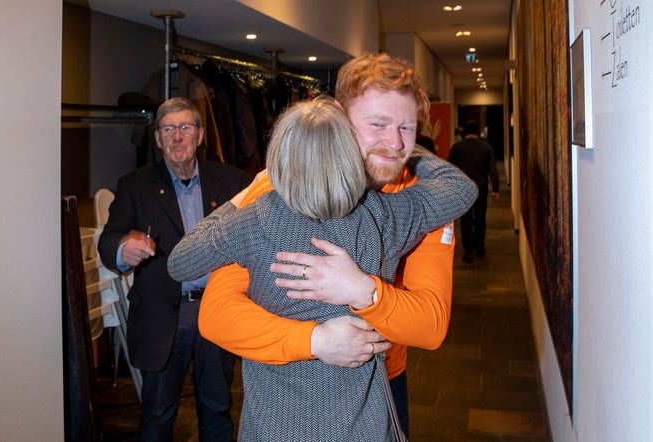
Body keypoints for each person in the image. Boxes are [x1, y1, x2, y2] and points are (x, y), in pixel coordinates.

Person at [168, 97, 477, 441]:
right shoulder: (382, 218)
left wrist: (241, 200)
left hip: (275, 428)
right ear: (349, 155)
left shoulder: (254, 221)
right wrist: (401, 145)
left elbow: (180, 262)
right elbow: (461, 188)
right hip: (363, 428)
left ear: (281, 157)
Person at [97, 97, 249, 441]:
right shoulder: (135, 185)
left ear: (199, 134)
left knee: (217, 408)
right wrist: (123, 248)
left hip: (217, 310)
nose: (177, 136)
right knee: (157, 415)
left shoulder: (231, 181)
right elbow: (108, 242)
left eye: (185, 128)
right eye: (168, 129)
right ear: (157, 138)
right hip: (164, 317)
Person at [447, 120, 500, 263]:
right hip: (480, 187)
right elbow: (492, 170)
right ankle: (480, 247)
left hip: (463, 188)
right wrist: (495, 189)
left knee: (465, 219)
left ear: (465, 131)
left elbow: (449, 168)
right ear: (477, 131)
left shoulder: (457, 147)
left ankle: (468, 251)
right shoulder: (485, 147)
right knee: (480, 217)